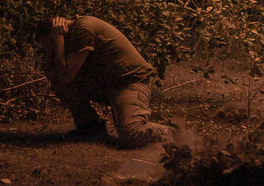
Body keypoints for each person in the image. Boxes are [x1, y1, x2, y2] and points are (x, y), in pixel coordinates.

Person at [36, 15, 174, 148]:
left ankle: (172, 131)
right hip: (108, 85)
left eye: (50, 46)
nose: (50, 50)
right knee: (57, 77)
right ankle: (91, 128)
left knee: (132, 134)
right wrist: (51, 52)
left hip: (130, 82)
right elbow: (55, 74)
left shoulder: (84, 29)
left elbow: (66, 76)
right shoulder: (72, 36)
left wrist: (58, 40)